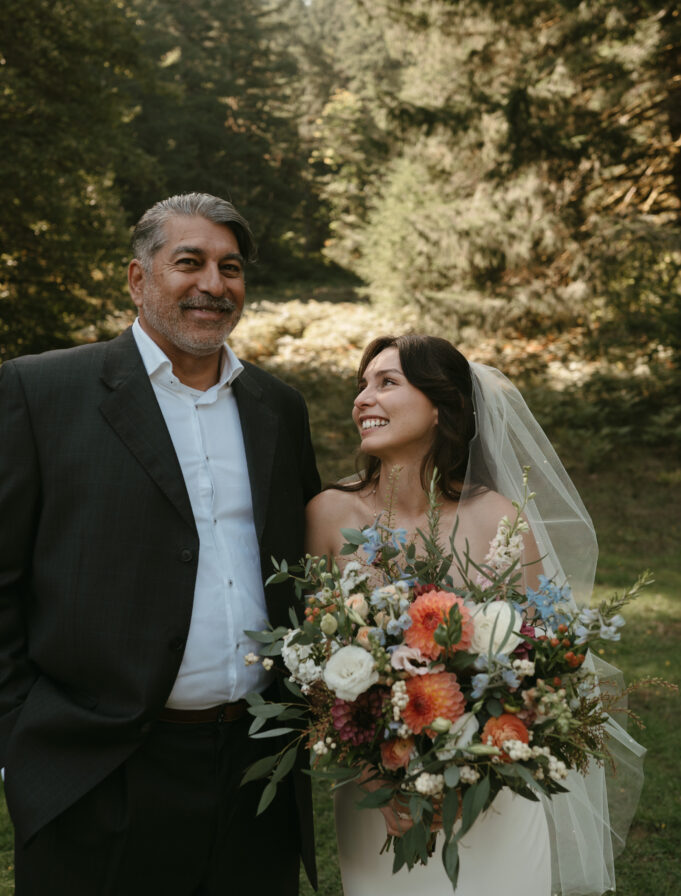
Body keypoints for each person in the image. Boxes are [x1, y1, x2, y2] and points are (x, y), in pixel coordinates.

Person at [0, 192, 320, 895]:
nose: (213, 283)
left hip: (256, 768)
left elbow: (295, 573)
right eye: (189, 262)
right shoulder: (41, 391)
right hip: (99, 770)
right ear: (138, 279)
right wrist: (22, 733)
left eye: (230, 267)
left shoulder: (277, 408)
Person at [306, 334, 644, 896]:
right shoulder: (327, 514)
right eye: (361, 385)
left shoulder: (501, 518)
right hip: (377, 796)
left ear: (442, 407)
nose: (362, 399)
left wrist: (473, 770)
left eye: (387, 383)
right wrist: (375, 775)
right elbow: (314, 666)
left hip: (492, 794)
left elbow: (546, 668)